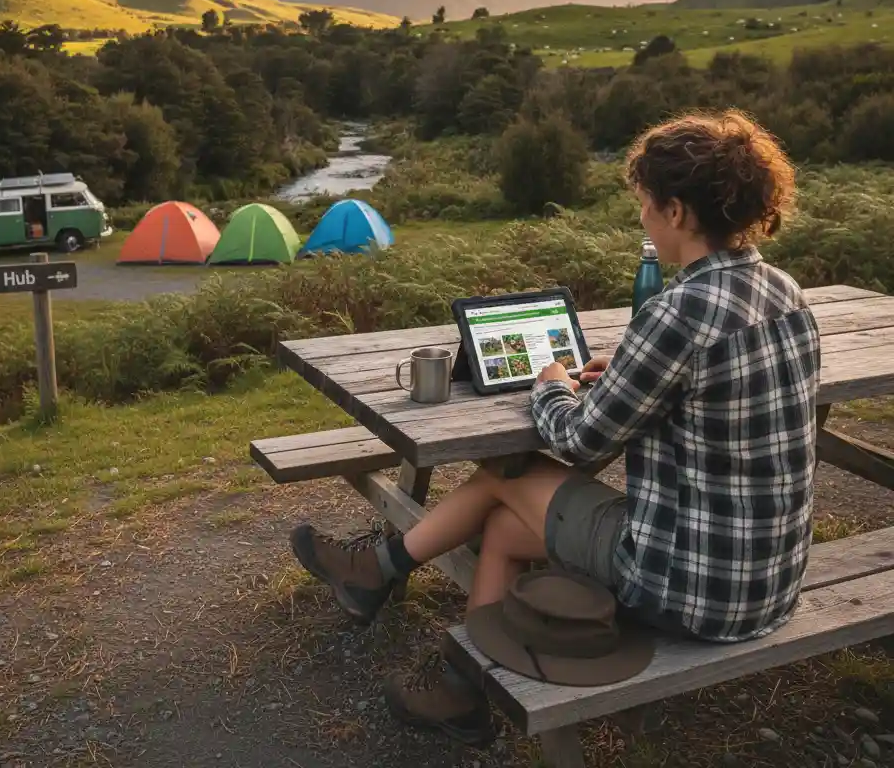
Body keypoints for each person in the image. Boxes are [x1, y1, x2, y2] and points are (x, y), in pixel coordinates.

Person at [289, 110, 822, 747]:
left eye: (646, 205)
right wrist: (624, 370)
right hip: (770, 580)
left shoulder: (682, 308)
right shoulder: (786, 292)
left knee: (505, 473)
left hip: (686, 587)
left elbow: (577, 441)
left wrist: (550, 382)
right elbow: (703, 386)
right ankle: (464, 684)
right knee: (506, 529)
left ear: (677, 212)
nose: (643, 218)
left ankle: (379, 570)